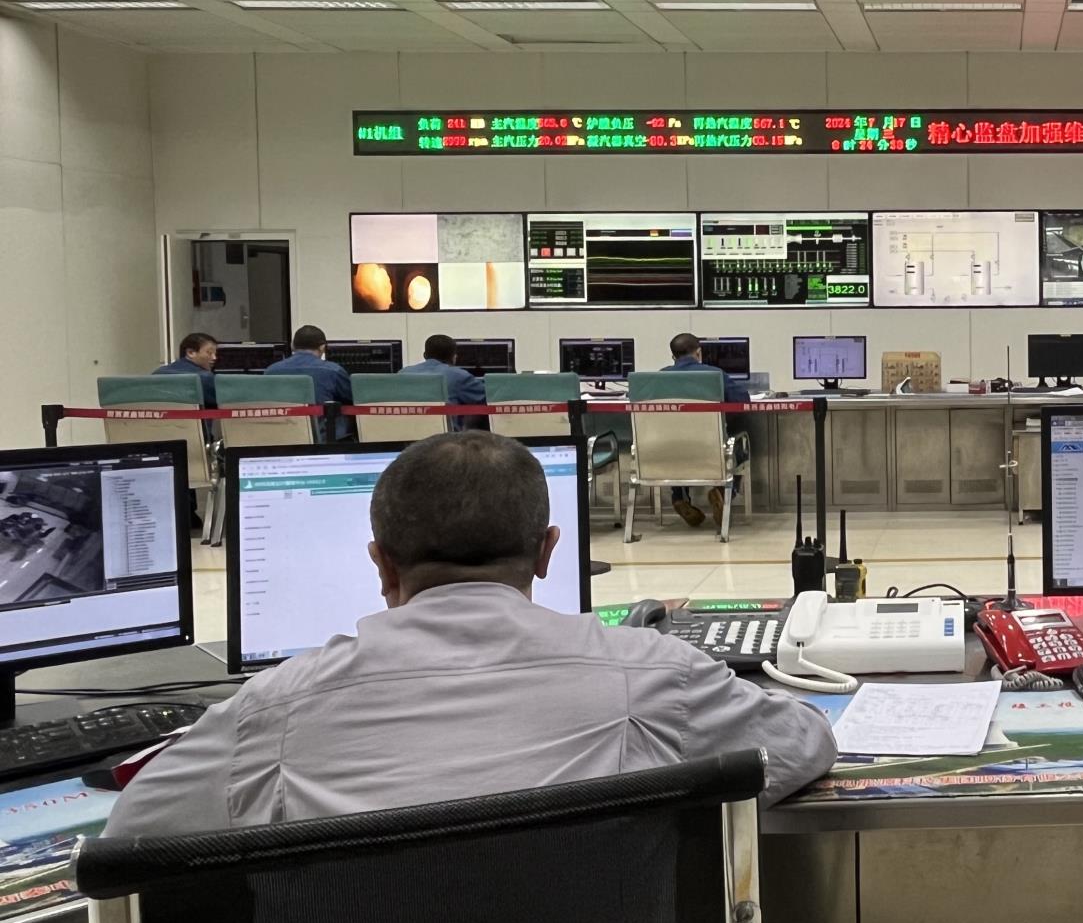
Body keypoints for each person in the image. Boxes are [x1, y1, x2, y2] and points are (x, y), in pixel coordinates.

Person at [105, 430, 835, 837]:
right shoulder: (650, 675)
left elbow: (133, 833)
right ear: (548, 551)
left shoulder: (273, 711)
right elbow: (804, 743)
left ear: (381, 563)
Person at [663, 332, 749, 527]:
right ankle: (723, 493)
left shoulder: (658, 378)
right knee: (738, 445)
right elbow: (742, 402)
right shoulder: (715, 375)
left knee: (678, 443)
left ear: (673, 356)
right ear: (699, 353)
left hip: (669, 449)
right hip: (710, 448)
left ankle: (680, 498)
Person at [267, 324, 354, 441]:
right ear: (322, 347)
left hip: (283, 437)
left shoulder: (271, 371)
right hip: (324, 440)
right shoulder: (333, 371)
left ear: (292, 345)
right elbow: (354, 399)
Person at [403, 332, 487, 430]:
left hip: (408, 432)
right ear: (453, 357)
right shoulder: (459, 376)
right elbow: (490, 397)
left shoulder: (403, 373)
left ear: (425, 355)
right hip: (444, 436)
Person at [152, 331, 219, 408]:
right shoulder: (205, 377)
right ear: (191, 353)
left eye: (215, 354)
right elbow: (222, 405)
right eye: (209, 353)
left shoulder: (157, 373)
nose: (214, 358)